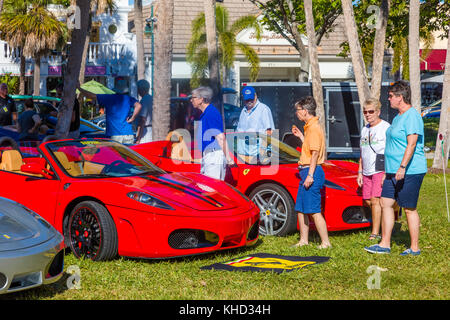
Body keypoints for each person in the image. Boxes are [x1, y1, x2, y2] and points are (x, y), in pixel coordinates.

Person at [365, 81, 427, 256]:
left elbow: (412, 144)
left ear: (400, 97)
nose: (389, 98)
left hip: (410, 170)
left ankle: (414, 248)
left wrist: (402, 167)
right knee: (385, 203)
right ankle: (385, 244)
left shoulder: (412, 116)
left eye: (391, 96)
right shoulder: (398, 117)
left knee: (408, 208)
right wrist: (387, 171)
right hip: (392, 171)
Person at [291, 96, 330, 249]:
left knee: (314, 210)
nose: (297, 113)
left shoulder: (314, 128)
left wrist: (310, 175)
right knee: (301, 209)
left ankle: (326, 242)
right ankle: (303, 240)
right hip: (306, 171)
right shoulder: (309, 127)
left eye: (298, 110)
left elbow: (314, 154)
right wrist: (301, 136)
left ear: (305, 111)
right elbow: (309, 148)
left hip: (311, 171)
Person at [357, 98, 390, 240]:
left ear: (378, 111)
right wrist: (359, 171)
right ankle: (391, 213)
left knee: (375, 200)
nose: (368, 114)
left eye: (371, 111)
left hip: (380, 167)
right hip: (366, 170)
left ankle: (375, 233)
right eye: (365, 112)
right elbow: (362, 152)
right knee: (367, 200)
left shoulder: (386, 128)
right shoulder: (365, 129)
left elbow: (390, 150)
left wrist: (387, 172)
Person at [78, 79, 141, 144]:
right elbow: (138, 106)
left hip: (114, 134)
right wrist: (132, 118)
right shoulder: (128, 99)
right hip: (128, 133)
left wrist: (79, 88)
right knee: (128, 154)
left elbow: (91, 96)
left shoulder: (109, 98)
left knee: (115, 154)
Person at [191, 86, 234, 180]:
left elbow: (220, 137)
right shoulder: (205, 113)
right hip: (209, 156)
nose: (191, 100)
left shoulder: (211, 113)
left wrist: (229, 159)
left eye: (193, 97)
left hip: (214, 157)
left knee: (212, 191)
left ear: (201, 99)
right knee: (206, 190)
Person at [135, 79, 153, 144]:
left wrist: (139, 138)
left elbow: (142, 120)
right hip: (152, 130)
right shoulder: (152, 98)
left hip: (146, 132)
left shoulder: (144, 100)